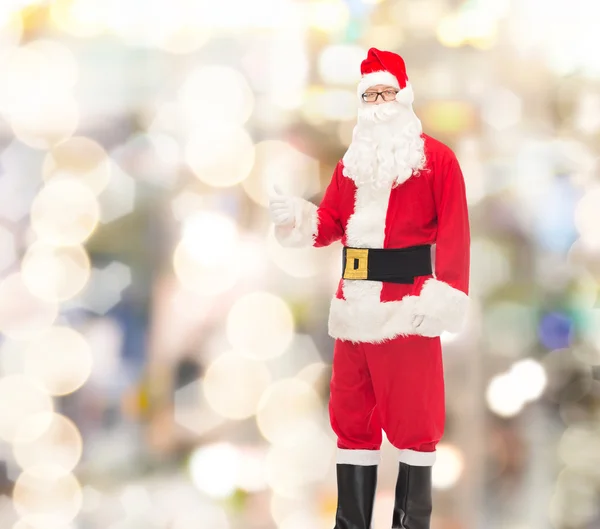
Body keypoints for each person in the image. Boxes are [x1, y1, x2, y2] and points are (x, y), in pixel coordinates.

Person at [268, 47, 470, 529]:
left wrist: (446, 296)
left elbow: (457, 236)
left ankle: (410, 521)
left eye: (386, 93)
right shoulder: (351, 164)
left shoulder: (437, 161)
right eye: (370, 95)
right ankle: (351, 522)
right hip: (353, 308)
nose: (379, 103)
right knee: (351, 420)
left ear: (404, 97)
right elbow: (331, 223)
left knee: (414, 424)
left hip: (408, 309)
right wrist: (298, 217)